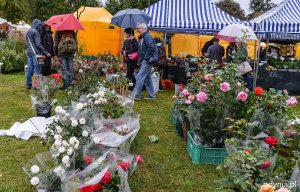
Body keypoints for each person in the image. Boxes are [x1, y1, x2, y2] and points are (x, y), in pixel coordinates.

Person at [134, 23, 158, 101]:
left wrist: (146, 58)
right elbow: (142, 50)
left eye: (140, 28)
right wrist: (140, 60)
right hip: (146, 60)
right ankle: (152, 95)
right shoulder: (143, 37)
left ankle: (137, 95)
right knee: (147, 78)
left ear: (145, 28)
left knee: (139, 76)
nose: (138, 30)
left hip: (148, 60)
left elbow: (151, 48)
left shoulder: (147, 37)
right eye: (138, 28)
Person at [26, 19, 51, 89]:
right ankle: (36, 85)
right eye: (40, 25)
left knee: (30, 68)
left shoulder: (28, 32)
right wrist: (46, 53)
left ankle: (28, 84)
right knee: (37, 68)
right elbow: (39, 44)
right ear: (37, 25)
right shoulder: (36, 32)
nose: (40, 27)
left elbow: (28, 43)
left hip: (29, 52)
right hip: (36, 53)